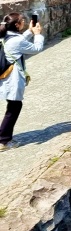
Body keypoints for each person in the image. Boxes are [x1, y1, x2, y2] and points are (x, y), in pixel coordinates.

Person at [0, 13, 45, 149]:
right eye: (22, 20)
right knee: (14, 107)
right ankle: (3, 140)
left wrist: (30, 31)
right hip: (12, 79)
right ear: (17, 25)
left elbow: (19, 41)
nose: (24, 22)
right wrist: (37, 34)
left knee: (13, 106)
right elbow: (36, 48)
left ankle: (4, 137)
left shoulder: (5, 36)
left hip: (5, 78)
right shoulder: (15, 40)